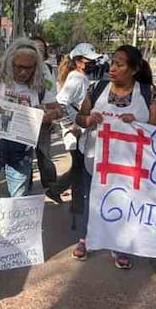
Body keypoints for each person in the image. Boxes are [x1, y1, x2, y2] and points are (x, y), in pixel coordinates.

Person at [74, 45, 156, 269]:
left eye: (119, 64)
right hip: (96, 158)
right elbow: (80, 118)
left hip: (129, 162)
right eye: (112, 63)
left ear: (133, 70)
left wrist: (138, 124)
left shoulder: (147, 92)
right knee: (90, 198)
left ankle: (120, 246)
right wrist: (88, 120)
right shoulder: (97, 88)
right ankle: (85, 240)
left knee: (124, 200)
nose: (112, 68)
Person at [0, 38, 62, 198]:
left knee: (18, 204)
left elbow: (57, 110)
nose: (23, 72)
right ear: (10, 63)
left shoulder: (42, 82)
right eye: (18, 67)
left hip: (22, 151)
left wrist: (45, 116)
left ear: (36, 67)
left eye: (29, 68)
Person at [44, 43, 100, 209]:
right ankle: (75, 204)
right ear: (78, 62)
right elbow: (60, 102)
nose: (93, 63)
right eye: (89, 60)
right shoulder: (77, 79)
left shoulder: (79, 77)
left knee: (79, 168)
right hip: (76, 132)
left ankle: (70, 200)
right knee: (79, 169)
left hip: (79, 131)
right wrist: (70, 125)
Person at [31, 36, 59, 190]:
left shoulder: (47, 70)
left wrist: (51, 114)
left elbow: (52, 93)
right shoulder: (18, 68)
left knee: (44, 155)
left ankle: (52, 187)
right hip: (24, 120)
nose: (38, 52)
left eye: (41, 49)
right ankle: (25, 184)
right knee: (24, 157)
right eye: (34, 47)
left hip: (43, 119)